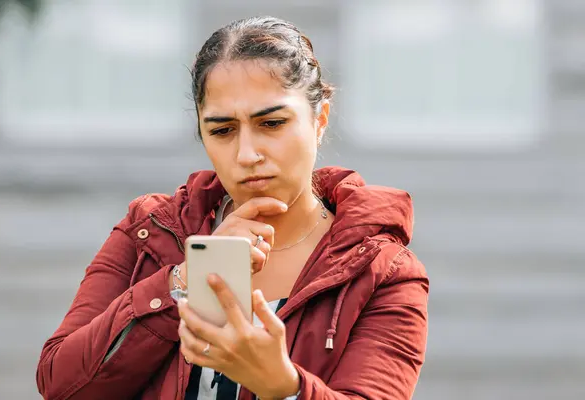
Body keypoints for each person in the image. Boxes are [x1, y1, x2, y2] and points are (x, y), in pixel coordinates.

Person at [36, 16, 429, 400]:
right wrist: (184, 279)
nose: (246, 154)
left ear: (319, 119)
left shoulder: (382, 272)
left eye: (271, 123)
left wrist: (284, 387)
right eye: (222, 130)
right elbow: (60, 384)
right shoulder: (150, 231)